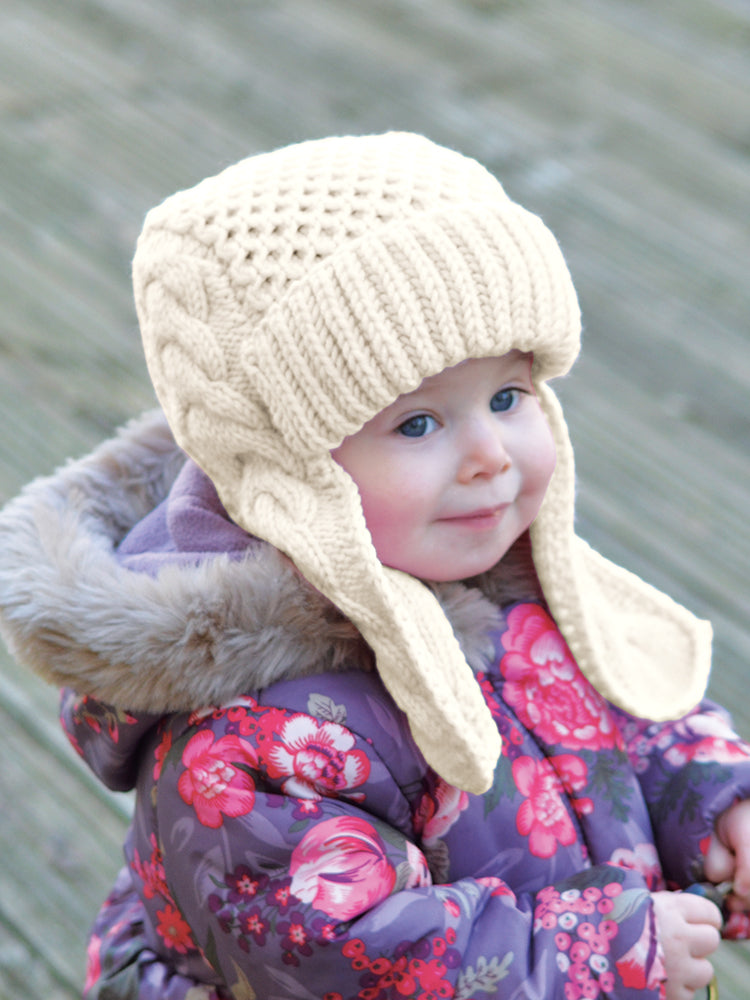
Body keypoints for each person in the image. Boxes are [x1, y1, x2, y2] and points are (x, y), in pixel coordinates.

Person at [1, 132, 749, 1000]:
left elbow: (617, 713)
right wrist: (593, 954)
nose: (491, 455)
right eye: (418, 423)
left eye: (508, 396)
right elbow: (341, 956)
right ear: (290, 466)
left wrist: (712, 800)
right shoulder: (253, 735)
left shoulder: (499, 564)